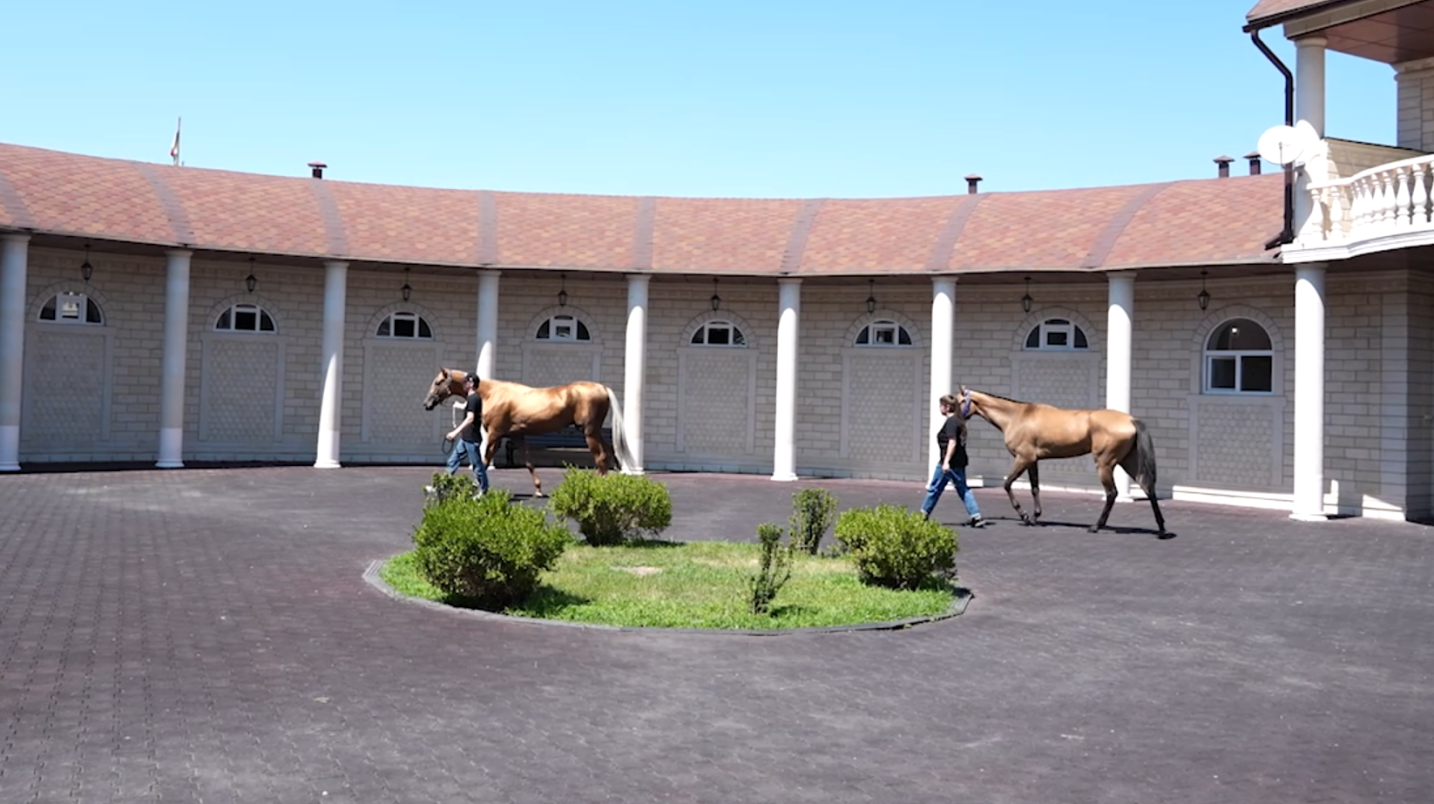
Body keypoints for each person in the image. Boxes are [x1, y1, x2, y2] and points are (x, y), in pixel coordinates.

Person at [921, 393, 989, 527]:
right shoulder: (959, 420)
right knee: (963, 489)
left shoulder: (951, 422)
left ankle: (922, 515)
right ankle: (976, 516)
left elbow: (952, 442)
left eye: (941, 406)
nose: (939, 408)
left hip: (948, 464)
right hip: (959, 462)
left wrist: (946, 462)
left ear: (946, 407)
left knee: (934, 488)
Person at [444, 373, 490, 496]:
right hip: (466, 438)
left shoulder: (474, 398)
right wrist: (459, 405)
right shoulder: (471, 398)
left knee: (477, 466)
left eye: (465, 382)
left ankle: (483, 490)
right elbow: (468, 407)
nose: (463, 384)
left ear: (471, 384)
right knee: (453, 460)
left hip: (472, 439)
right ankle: (442, 485)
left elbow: (470, 418)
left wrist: (455, 432)